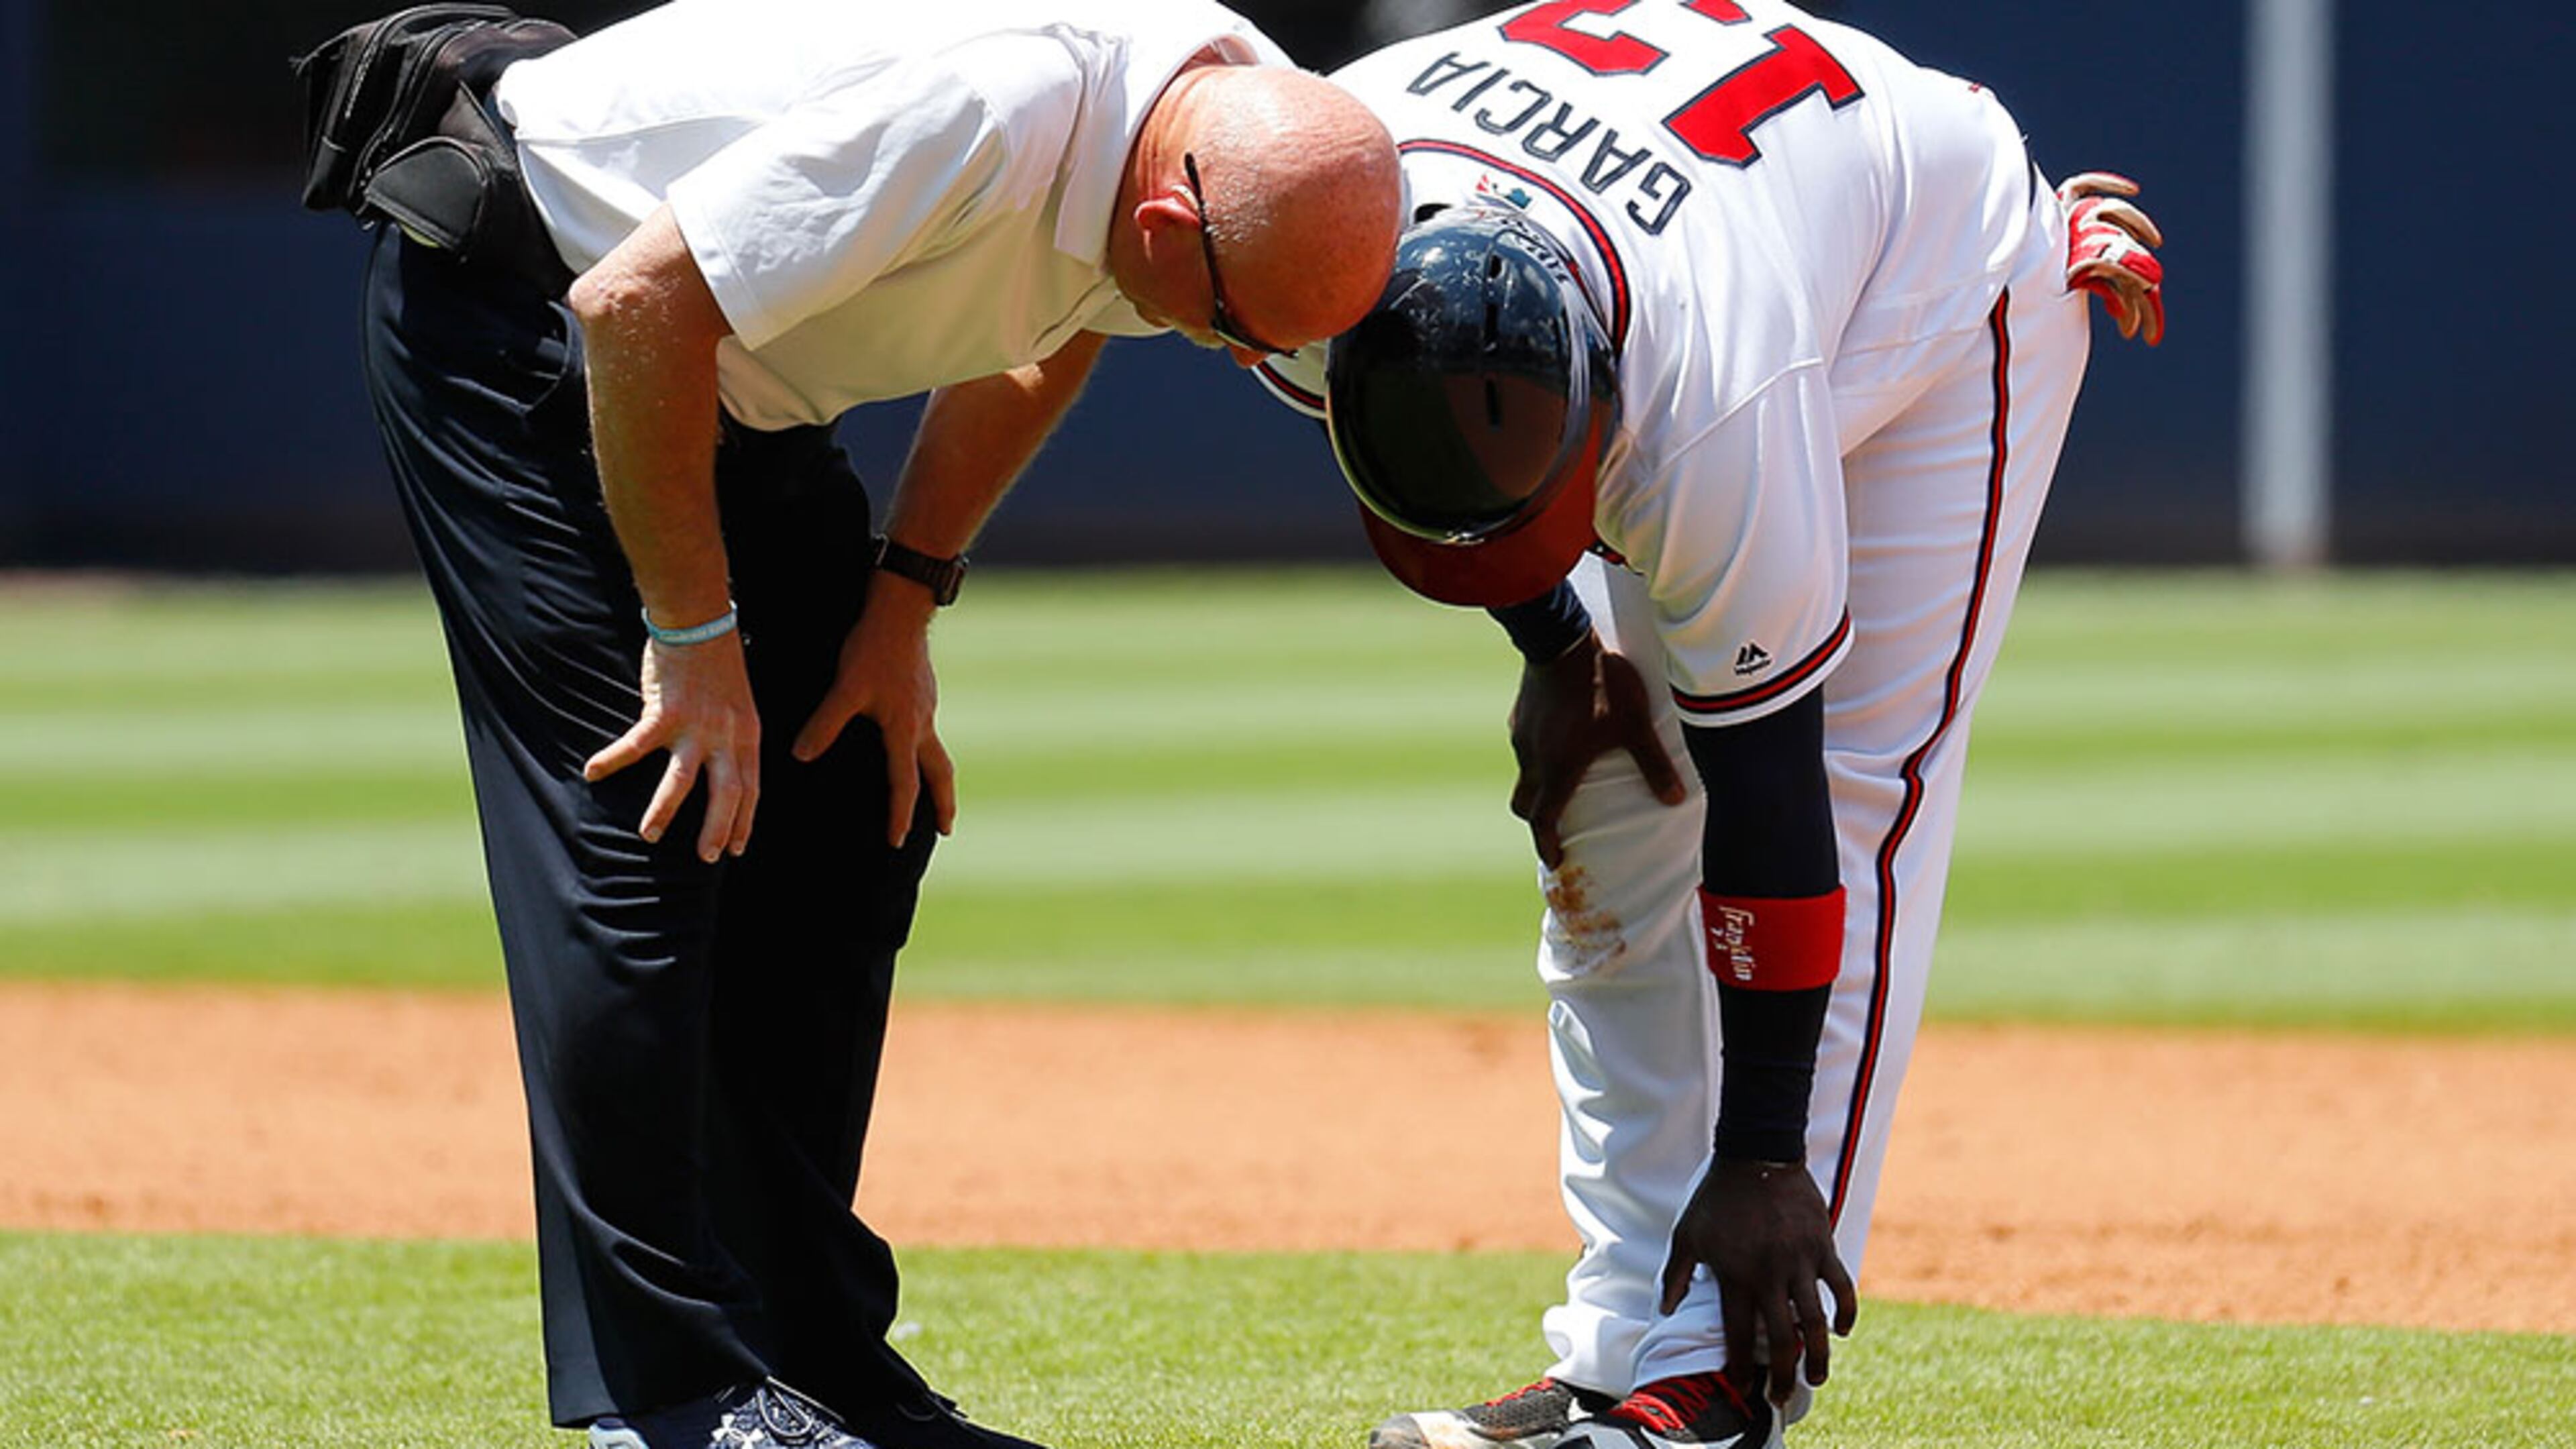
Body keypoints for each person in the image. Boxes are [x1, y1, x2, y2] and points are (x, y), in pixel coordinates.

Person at [319, 1, 1403, 1445]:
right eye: (1228, 326)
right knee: (645, 827)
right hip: (526, 310)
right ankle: (675, 1398)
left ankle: (810, 1359)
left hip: (729, 374)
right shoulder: (996, 116)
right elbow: (636, 306)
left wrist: (901, 605)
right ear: (1164, 214)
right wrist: (694, 643)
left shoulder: (1236, 120)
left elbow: (1072, 324)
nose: (1220, 352)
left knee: (850, 801)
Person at [1251, 3, 2164, 1447]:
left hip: (1940, 288)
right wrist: (1559, 644)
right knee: (1607, 807)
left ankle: (1725, 1380)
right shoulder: (1311, 230)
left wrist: (1759, 1157)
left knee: (1860, 794)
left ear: (1607, 403)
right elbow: (1469, 480)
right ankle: (1617, 1349)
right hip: (1717, 222)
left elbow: (1778, 803)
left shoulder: (1712, 394)